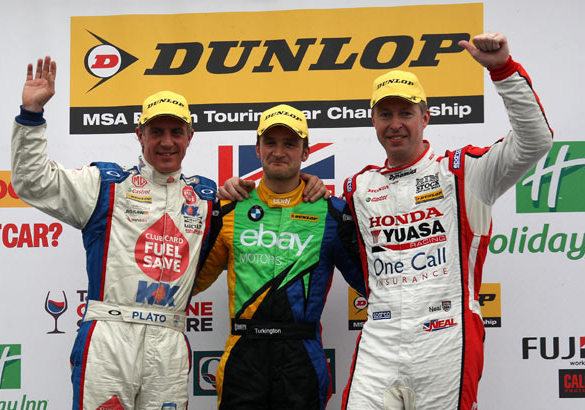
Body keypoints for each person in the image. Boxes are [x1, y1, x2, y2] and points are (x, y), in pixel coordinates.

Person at [340, 32, 553, 410]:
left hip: (445, 341)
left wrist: (503, 70)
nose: (395, 124)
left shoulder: (465, 172)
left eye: (406, 113)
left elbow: (535, 142)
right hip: (380, 342)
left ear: (426, 117)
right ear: (373, 120)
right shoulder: (359, 187)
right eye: (385, 114)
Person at [11, 56, 221, 410]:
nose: (166, 142)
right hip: (109, 338)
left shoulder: (206, 197)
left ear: (190, 137)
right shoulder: (106, 184)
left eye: (175, 132)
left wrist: (308, 184)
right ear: (139, 135)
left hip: (169, 342)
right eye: (156, 131)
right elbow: (33, 182)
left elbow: (267, 201)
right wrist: (31, 116)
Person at [193, 104, 366, 410]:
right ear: (257, 150)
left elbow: (370, 283)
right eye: (270, 143)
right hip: (243, 354)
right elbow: (191, 282)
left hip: (301, 356)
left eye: (290, 143)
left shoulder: (331, 212)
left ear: (306, 152)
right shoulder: (231, 208)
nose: (279, 151)